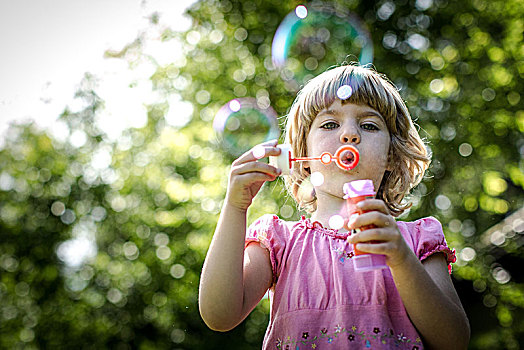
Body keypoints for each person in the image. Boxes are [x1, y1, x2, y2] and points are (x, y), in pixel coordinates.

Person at [199, 64, 470, 349]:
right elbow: (220, 315)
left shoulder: (415, 241)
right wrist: (235, 206)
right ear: (302, 155)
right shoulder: (279, 241)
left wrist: (401, 258)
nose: (349, 135)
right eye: (330, 124)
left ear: (391, 155)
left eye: (369, 125)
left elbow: (453, 341)